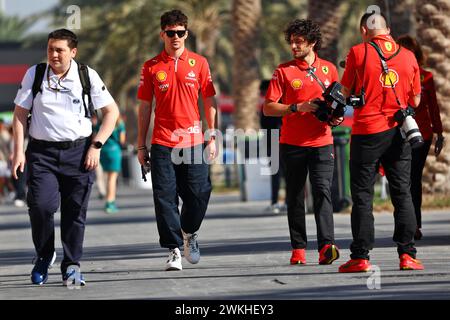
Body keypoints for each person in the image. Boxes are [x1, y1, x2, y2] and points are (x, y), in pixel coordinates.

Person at [11, 29, 119, 286]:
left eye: (59, 49)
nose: (54, 54)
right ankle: (44, 255)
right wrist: (17, 151)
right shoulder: (35, 74)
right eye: (50, 49)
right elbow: (19, 114)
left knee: (74, 212)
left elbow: (111, 112)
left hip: (79, 153)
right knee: (40, 206)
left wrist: (97, 145)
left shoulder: (86, 75)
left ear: (73, 52)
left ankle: (71, 265)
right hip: (42, 154)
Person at [338, 12, 424, 273]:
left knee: (363, 195)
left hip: (367, 132)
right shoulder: (408, 56)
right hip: (400, 132)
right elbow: (416, 101)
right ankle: (407, 255)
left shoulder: (358, 52)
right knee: (402, 191)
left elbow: (345, 92)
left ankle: (361, 257)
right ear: (387, 30)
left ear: (364, 29)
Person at [136, 10, 217, 271]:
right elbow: (145, 107)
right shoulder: (151, 66)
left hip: (193, 141)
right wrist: (141, 144)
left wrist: (212, 135)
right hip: (162, 142)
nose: (175, 37)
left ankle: (189, 232)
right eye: (170, 33)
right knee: (165, 197)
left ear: (187, 34)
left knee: (200, 192)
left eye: (180, 33)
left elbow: (209, 100)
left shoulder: (200, 63)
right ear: (162, 34)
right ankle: (173, 249)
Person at [263, 19, 341, 266]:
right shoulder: (283, 71)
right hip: (293, 143)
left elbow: (338, 104)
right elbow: (268, 108)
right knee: (295, 196)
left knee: (322, 192)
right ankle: (298, 249)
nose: (294, 46)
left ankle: (326, 246)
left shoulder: (329, 69)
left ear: (313, 43)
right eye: (292, 42)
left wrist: (337, 117)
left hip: (322, 141)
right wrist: (298, 107)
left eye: (299, 42)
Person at [396, 35, 444, 240]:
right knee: (400, 180)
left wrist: (439, 133)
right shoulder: (392, 77)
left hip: (422, 135)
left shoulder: (427, 77)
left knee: (412, 179)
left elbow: (433, 107)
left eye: (410, 51)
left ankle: (414, 224)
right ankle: (403, 224)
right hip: (397, 134)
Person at [259, 80, 286, 214]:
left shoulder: (275, 105)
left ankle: (280, 202)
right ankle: (277, 201)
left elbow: (265, 124)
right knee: (280, 173)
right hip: (275, 142)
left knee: (281, 174)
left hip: (279, 142)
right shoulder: (273, 105)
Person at [94, 115, 126, 213]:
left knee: (104, 176)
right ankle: (110, 202)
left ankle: (105, 195)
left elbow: (94, 138)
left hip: (102, 151)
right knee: (112, 178)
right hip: (114, 151)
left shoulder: (100, 124)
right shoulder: (119, 123)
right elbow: (122, 140)